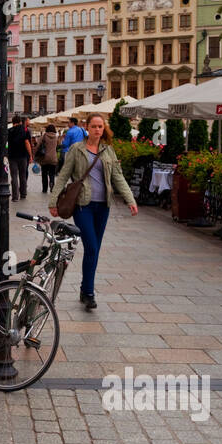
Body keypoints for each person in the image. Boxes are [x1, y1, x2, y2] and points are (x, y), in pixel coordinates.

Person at [49, 115, 138, 311]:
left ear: (103, 128)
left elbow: (118, 177)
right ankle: (88, 292)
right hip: (83, 205)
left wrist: (130, 200)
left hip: (103, 206)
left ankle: (85, 290)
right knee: (91, 246)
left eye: (100, 126)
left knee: (94, 249)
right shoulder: (76, 149)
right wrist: (53, 201)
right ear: (87, 128)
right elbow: (64, 175)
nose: (97, 130)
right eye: (94, 126)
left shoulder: (108, 151)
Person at [6, 115, 33, 201]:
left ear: (13, 122)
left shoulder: (9, 131)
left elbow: (6, 144)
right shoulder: (24, 130)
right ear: (20, 122)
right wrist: (31, 155)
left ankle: (15, 197)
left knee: (14, 176)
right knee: (23, 175)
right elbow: (27, 143)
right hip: (23, 156)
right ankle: (23, 194)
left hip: (12, 156)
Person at [35, 124, 61, 194]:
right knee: (52, 174)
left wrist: (34, 153)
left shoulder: (44, 136)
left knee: (44, 174)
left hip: (44, 158)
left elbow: (38, 145)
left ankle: (44, 188)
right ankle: (52, 184)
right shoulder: (56, 137)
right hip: (53, 158)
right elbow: (58, 145)